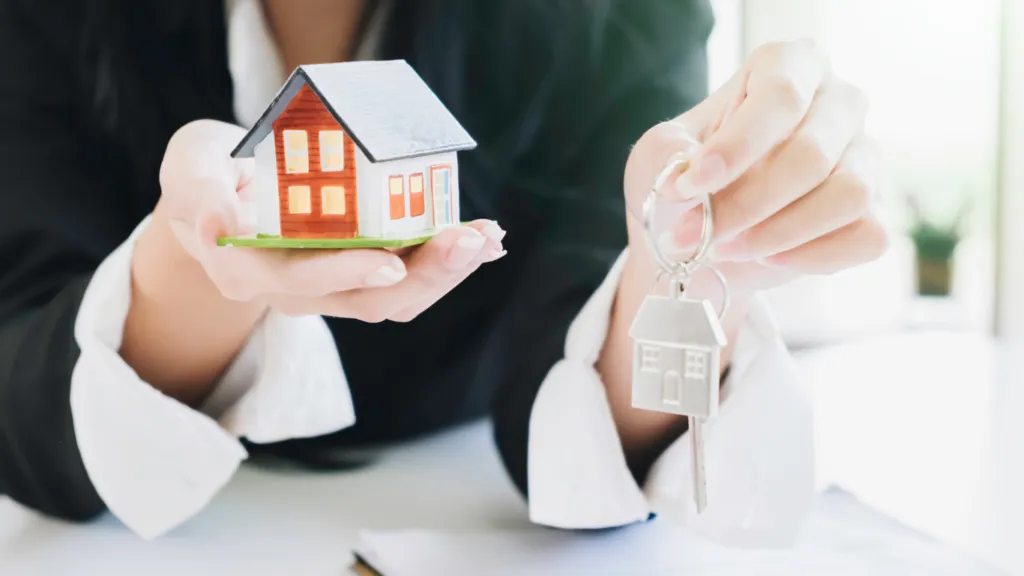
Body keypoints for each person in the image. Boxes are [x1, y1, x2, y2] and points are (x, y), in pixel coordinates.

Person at [0, 0, 886, 543]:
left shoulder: (623, 13)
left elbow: (577, 409)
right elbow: (18, 385)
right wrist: (188, 271)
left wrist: (688, 252)